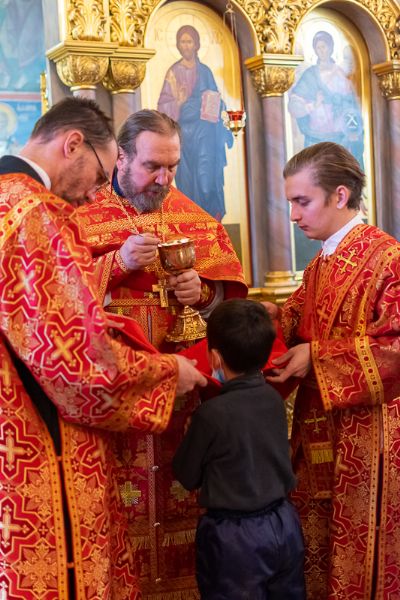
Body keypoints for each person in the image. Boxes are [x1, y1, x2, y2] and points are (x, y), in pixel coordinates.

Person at [0, 96, 206, 600]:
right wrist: (167, 374)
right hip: (37, 435)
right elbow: (75, 361)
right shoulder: (36, 213)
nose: (97, 191)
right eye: (98, 173)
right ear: (73, 144)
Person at [77, 108, 247, 598]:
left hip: (182, 399)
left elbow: (231, 307)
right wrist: (115, 263)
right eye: (153, 166)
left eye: (172, 166)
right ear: (121, 158)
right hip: (115, 398)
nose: (165, 179)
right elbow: (51, 297)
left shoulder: (193, 217)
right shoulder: (82, 217)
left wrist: (205, 293)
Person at [264, 142, 400, 599]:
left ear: (340, 195)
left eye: (302, 202)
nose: (293, 215)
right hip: (319, 433)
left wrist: (318, 357)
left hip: (370, 439)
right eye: (290, 203)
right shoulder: (322, 261)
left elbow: (396, 347)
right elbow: (291, 322)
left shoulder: (387, 258)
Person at [173, 299, 305, 599]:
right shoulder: (273, 400)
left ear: (214, 358)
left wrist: (190, 433)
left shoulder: (210, 415)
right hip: (284, 523)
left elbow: (186, 474)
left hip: (234, 538)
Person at [157, 24, 233, 221]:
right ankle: (192, 222)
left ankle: (210, 220)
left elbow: (216, 98)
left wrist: (217, 105)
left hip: (206, 135)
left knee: (206, 180)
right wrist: (180, 102)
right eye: (183, 42)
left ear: (196, 44)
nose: (186, 46)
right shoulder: (173, 72)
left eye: (189, 41)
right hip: (184, 137)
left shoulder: (205, 71)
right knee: (188, 182)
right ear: (178, 45)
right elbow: (163, 105)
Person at [288, 30, 364, 168]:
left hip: (340, 136)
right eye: (318, 47)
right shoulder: (310, 75)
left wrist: (353, 130)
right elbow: (294, 104)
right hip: (316, 137)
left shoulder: (340, 73)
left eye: (324, 46)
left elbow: (351, 104)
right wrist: (313, 105)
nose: (321, 51)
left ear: (331, 47)